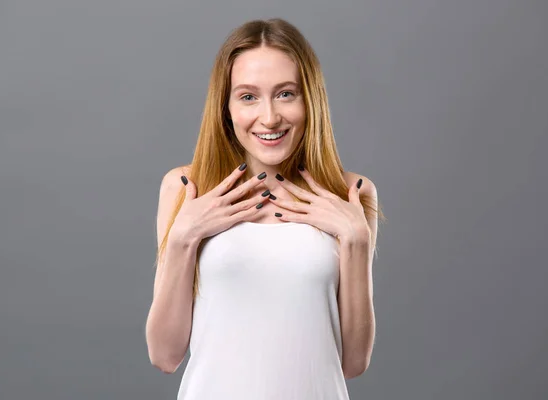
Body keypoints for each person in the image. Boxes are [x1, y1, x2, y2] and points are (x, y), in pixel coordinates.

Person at [145, 18, 385, 399]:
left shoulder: (351, 194)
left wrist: (355, 240)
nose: (270, 117)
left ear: (311, 99)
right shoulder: (187, 189)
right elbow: (164, 354)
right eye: (248, 96)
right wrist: (182, 239)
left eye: (286, 94)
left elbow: (353, 362)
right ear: (225, 107)